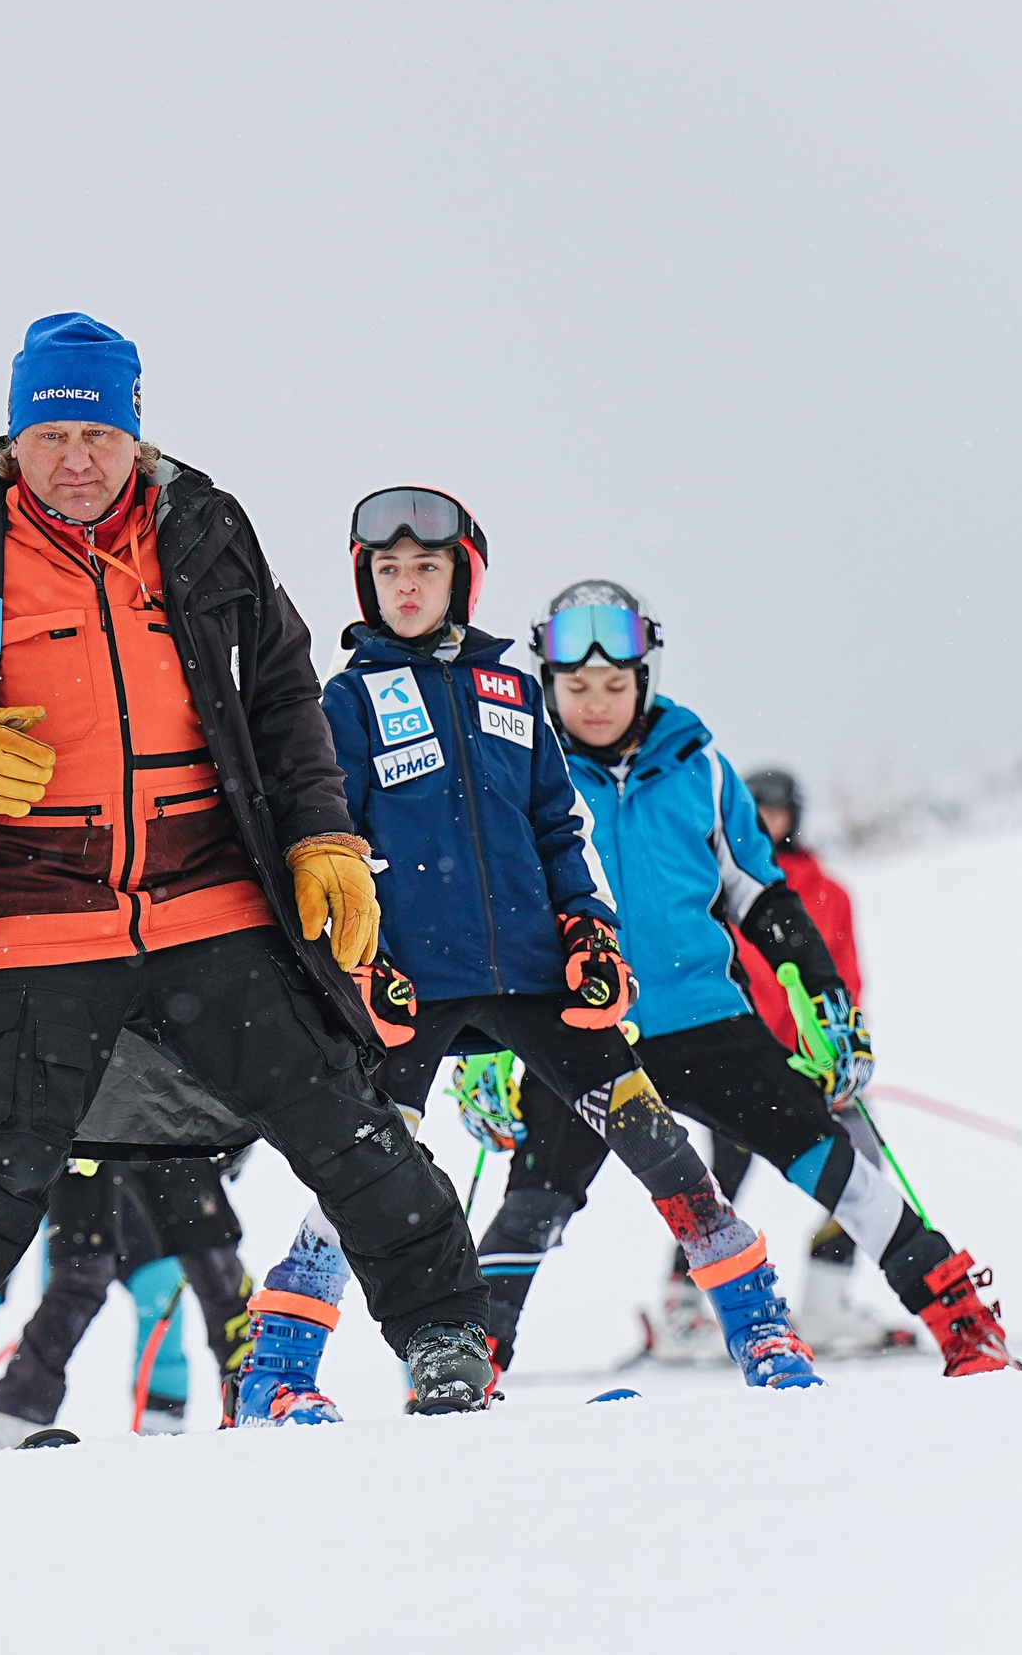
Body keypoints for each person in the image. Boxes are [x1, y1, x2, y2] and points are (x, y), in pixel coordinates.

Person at [0, 315, 492, 1463]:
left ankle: (445, 1336)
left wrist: (322, 835)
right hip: (34, 912)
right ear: (17, 436)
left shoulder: (205, 530)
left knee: (339, 1116)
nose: (76, 458)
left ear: (135, 434)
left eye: (98, 432)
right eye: (53, 432)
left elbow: (280, 692)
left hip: (208, 900)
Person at [237, 494, 821, 1423]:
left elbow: (559, 825)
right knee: (367, 1172)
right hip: (410, 986)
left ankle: (761, 1334)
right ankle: (275, 1369)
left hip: (540, 979)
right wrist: (362, 960)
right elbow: (330, 839)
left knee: (660, 1146)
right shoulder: (345, 702)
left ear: (460, 577)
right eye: (388, 571)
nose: (407, 587)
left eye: (426, 569)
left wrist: (589, 924)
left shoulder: (510, 690)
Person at [476, 581, 1011, 1376]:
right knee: (534, 1203)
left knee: (830, 1160)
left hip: (706, 1022)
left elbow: (762, 898)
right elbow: (494, 917)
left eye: (615, 685)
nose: (596, 703)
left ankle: (959, 1317)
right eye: (577, 686)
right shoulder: (524, 772)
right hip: (584, 1034)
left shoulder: (701, 769)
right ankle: (472, 1356)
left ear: (644, 678)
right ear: (548, 684)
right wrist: (484, 1045)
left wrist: (825, 998)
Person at [646, 767, 911, 1356]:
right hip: (740, 1059)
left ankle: (825, 1297)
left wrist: (839, 1049)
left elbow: (844, 976)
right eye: (755, 808)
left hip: (811, 1063)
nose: (766, 820)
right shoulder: (713, 886)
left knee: (862, 1163)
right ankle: (682, 1301)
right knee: (719, 1179)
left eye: (777, 810)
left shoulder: (829, 892)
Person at [0, 1143, 255, 1447]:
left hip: (159, 1125)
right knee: (76, 1278)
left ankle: (244, 1391)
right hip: (88, 1133)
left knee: (188, 1269)